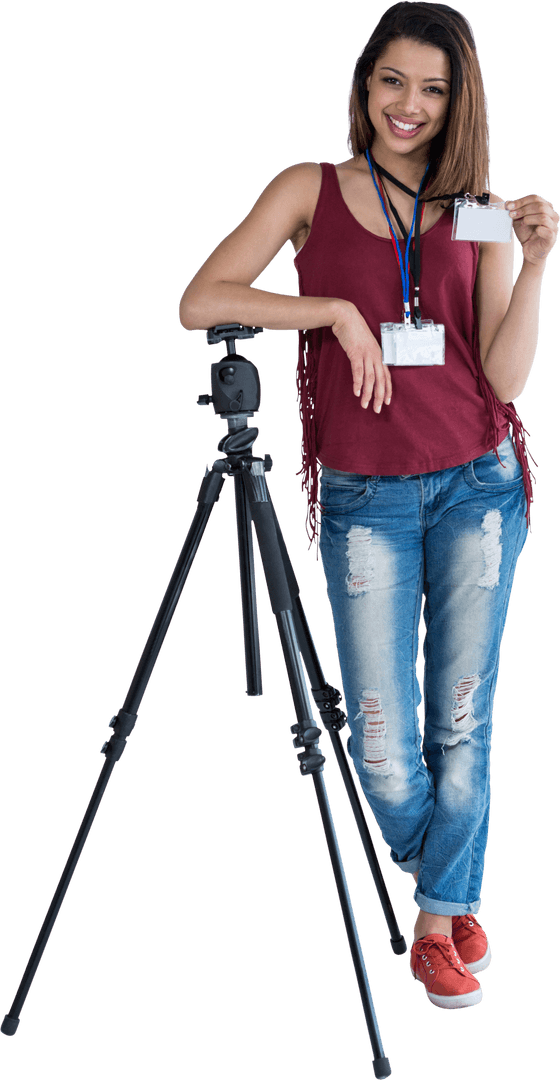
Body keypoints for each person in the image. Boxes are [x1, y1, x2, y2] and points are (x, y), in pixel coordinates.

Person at [179, 1, 558, 1011]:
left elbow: (506, 379)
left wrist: (530, 269)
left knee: (461, 721)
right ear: (362, 82)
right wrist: (332, 313)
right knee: (384, 747)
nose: (409, 105)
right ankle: (453, 875)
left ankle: (434, 924)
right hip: (364, 500)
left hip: (478, 483)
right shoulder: (307, 188)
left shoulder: (473, 210)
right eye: (392, 81)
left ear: (456, 103)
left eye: (432, 90)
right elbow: (201, 298)